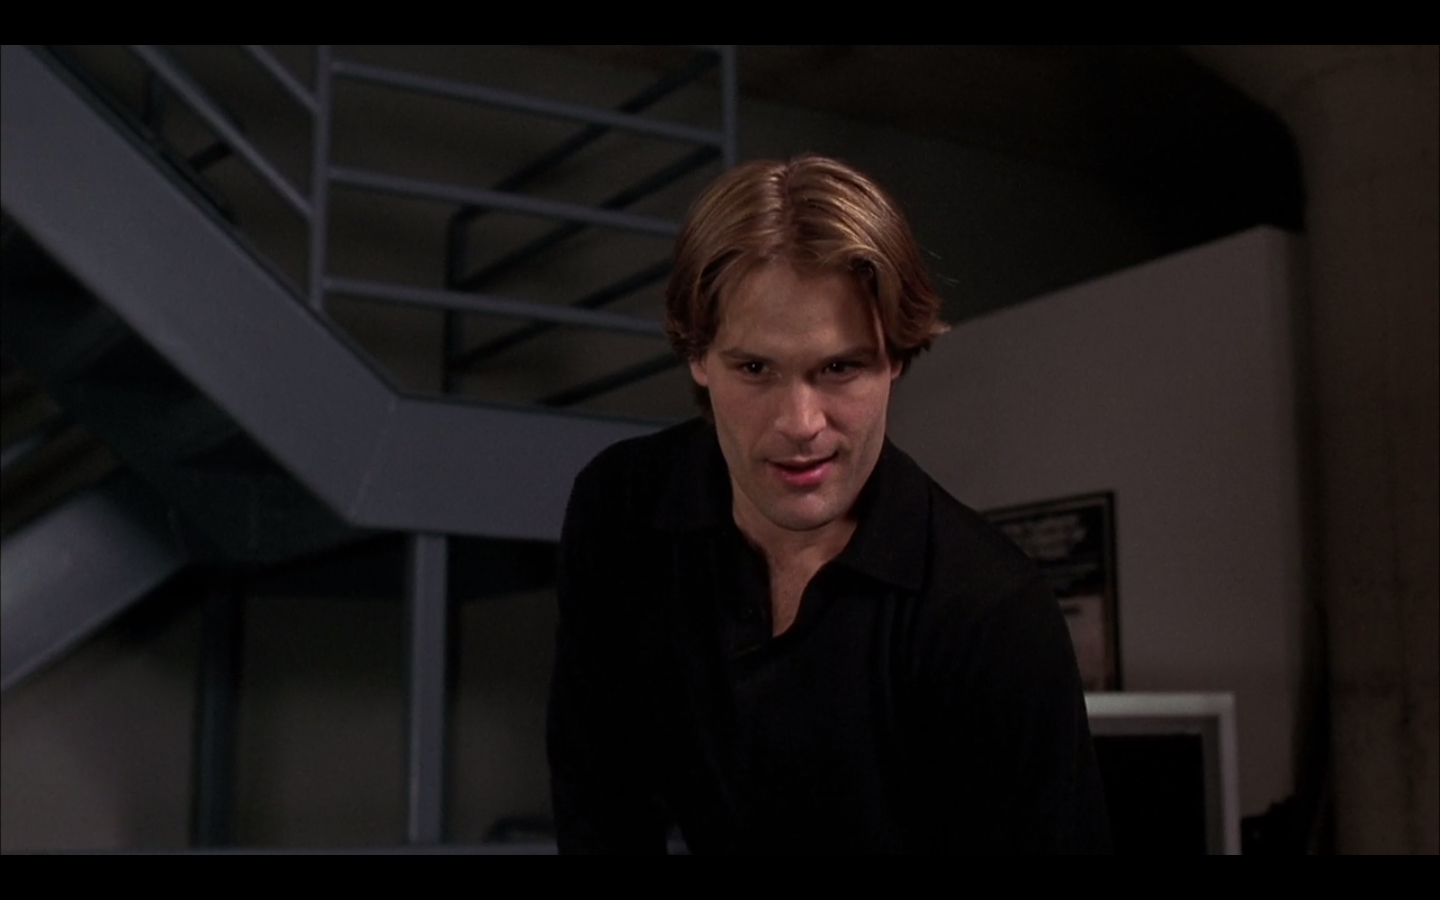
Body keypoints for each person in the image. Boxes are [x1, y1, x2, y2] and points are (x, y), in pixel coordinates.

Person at [546, 153, 1110, 854]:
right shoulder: (623, 506)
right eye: (755, 368)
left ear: (895, 357)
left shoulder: (990, 611)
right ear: (697, 355)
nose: (801, 424)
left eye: (840, 367)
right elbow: (599, 803)